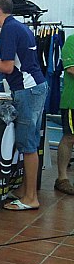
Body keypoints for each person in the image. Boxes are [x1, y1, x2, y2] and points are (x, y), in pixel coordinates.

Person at [0, 0, 48, 210]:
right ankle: (25, 190)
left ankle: (31, 198)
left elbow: (7, 67)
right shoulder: (18, 27)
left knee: (28, 145)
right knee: (28, 143)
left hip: (28, 90)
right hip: (33, 87)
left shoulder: (9, 30)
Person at [54, 33, 74, 195]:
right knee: (69, 137)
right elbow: (71, 68)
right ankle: (62, 178)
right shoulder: (71, 41)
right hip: (72, 100)